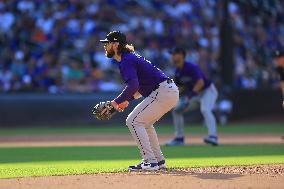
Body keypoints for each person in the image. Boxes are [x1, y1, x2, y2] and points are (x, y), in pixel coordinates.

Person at [99, 31, 179, 171]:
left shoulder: (126, 60)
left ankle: (149, 161)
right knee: (145, 124)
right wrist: (127, 100)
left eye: (108, 43)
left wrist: (115, 102)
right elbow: (142, 86)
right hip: (167, 91)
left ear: (116, 44)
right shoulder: (129, 58)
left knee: (133, 121)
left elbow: (133, 85)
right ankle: (158, 161)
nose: (105, 46)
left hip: (162, 91)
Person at [165, 47, 219, 146]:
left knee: (205, 109)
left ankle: (213, 137)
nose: (172, 56)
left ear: (181, 55)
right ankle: (179, 139)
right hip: (195, 95)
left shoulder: (191, 67)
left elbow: (200, 83)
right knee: (177, 111)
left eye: (174, 54)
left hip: (207, 91)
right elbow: (180, 87)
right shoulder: (178, 71)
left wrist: (190, 96)